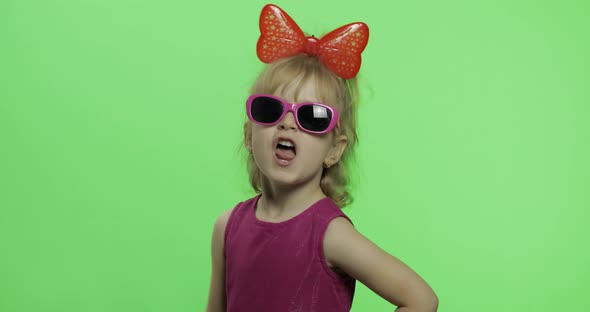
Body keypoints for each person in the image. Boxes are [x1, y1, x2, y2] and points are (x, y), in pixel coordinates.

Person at [207, 4, 438, 312]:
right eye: (269, 109)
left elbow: (421, 299)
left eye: (312, 117)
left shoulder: (331, 234)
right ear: (249, 136)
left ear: (334, 149)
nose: (287, 123)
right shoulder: (228, 227)